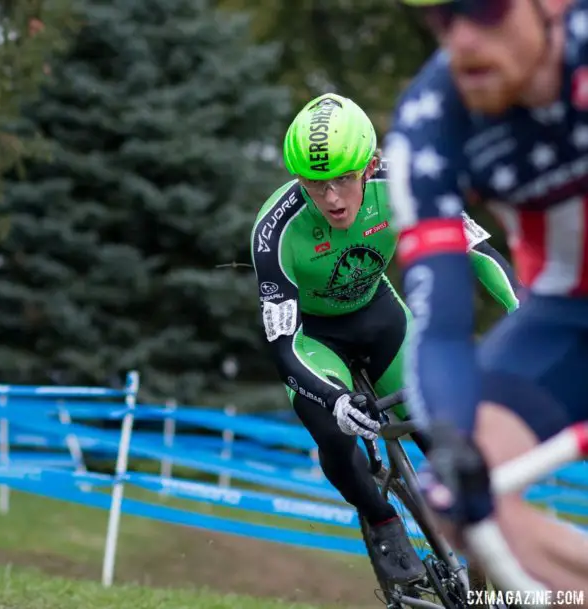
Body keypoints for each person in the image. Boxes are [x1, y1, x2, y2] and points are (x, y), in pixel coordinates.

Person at [250, 92, 520, 586]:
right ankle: (380, 519)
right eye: (315, 184)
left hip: (379, 319)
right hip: (315, 340)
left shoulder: (406, 181)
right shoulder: (275, 232)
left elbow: (476, 250)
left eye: (345, 180)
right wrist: (332, 399)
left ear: (371, 165)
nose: (331, 198)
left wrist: (524, 311)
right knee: (333, 432)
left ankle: (479, 553)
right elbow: (283, 343)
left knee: (443, 431)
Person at [385, 0, 588, 591]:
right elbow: (441, 325)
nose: (464, 40)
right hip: (565, 319)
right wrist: (449, 435)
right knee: (456, 499)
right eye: (443, 20)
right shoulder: (430, 123)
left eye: (487, 10)